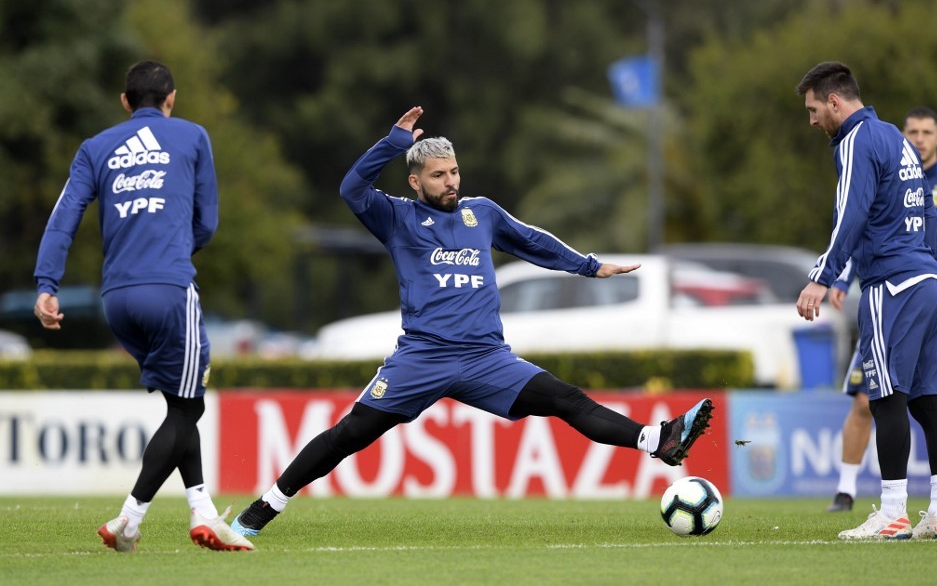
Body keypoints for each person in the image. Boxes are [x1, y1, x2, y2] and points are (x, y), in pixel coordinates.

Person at [229, 107, 714, 537]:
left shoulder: (479, 214)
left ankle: (660, 440)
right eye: (438, 175)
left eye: (455, 171)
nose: (451, 182)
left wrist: (588, 265)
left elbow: (533, 241)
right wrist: (395, 142)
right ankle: (262, 509)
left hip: (486, 358)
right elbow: (351, 187)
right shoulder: (394, 217)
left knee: (566, 400)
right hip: (422, 357)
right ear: (415, 182)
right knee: (349, 435)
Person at [33, 60, 253, 553]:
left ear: (125, 102)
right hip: (169, 289)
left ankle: (202, 512)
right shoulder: (193, 136)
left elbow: (64, 216)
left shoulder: (95, 147)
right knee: (191, 404)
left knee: (180, 405)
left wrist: (48, 282)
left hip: (117, 298)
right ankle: (128, 520)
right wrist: (173, 246)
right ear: (170, 99)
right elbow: (207, 223)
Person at [795, 62, 937, 540]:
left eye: (812, 109)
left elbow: (850, 213)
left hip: (894, 285)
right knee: (931, 402)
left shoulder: (855, 141)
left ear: (834, 101)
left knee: (885, 397)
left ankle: (893, 513)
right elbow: (926, 209)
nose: (811, 121)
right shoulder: (896, 138)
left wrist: (821, 277)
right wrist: (925, 259)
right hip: (933, 281)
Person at [826, 107, 937, 514]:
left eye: (926, 132)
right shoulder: (898, 169)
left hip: (901, 292)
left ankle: (904, 510)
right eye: (913, 131)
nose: (919, 138)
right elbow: (871, 224)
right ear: (904, 135)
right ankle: (921, 506)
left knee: (924, 397)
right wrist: (842, 278)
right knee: (916, 400)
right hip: (929, 288)